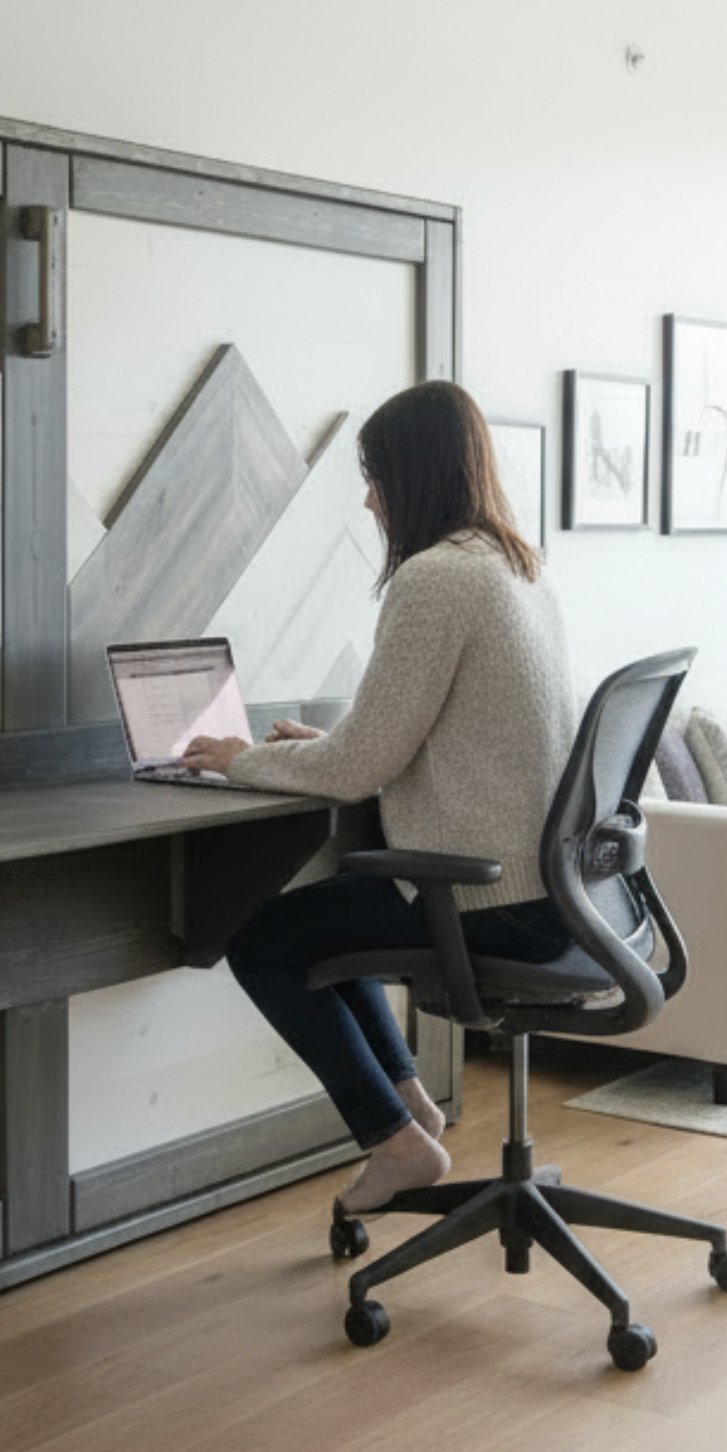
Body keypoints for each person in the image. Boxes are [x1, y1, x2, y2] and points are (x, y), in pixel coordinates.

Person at [182, 380, 579, 1213]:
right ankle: (408, 1107)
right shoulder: (515, 565)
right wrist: (317, 751)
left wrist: (238, 760)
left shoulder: (437, 579)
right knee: (334, 918)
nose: (369, 498)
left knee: (259, 940)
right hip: (553, 891)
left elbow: (359, 769)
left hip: (483, 896)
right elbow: (402, 740)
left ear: (416, 473)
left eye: (377, 476)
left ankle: (396, 1138)